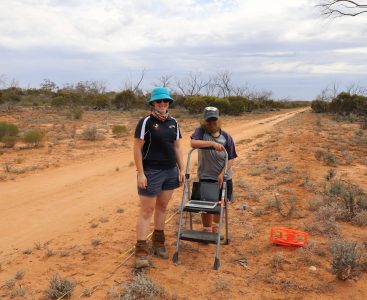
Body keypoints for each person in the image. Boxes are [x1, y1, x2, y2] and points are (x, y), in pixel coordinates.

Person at [133, 87, 185, 269]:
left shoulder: (173, 122)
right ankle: (140, 251)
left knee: (162, 207)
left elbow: (177, 147)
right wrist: (140, 172)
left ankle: (158, 243)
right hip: (151, 172)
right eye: (158, 101)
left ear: (169, 103)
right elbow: (137, 149)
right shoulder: (145, 122)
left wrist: (181, 169)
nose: (162, 104)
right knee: (147, 211)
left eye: (165, 101)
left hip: (170, 170)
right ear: (152, 103)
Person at [190, 106, 237, 233]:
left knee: (220, 204)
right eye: (209, 120)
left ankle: (216, 228)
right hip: (206, 175)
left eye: (214, 120)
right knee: (205, 206)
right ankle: (206, 229)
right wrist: (212, 144)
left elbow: (231, 158)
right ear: (204, 121)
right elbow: (193, 143)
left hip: (224, 177)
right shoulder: (201, 132)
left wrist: (223, 173)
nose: (211, 123)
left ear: (219, 120)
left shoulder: (226, 136)